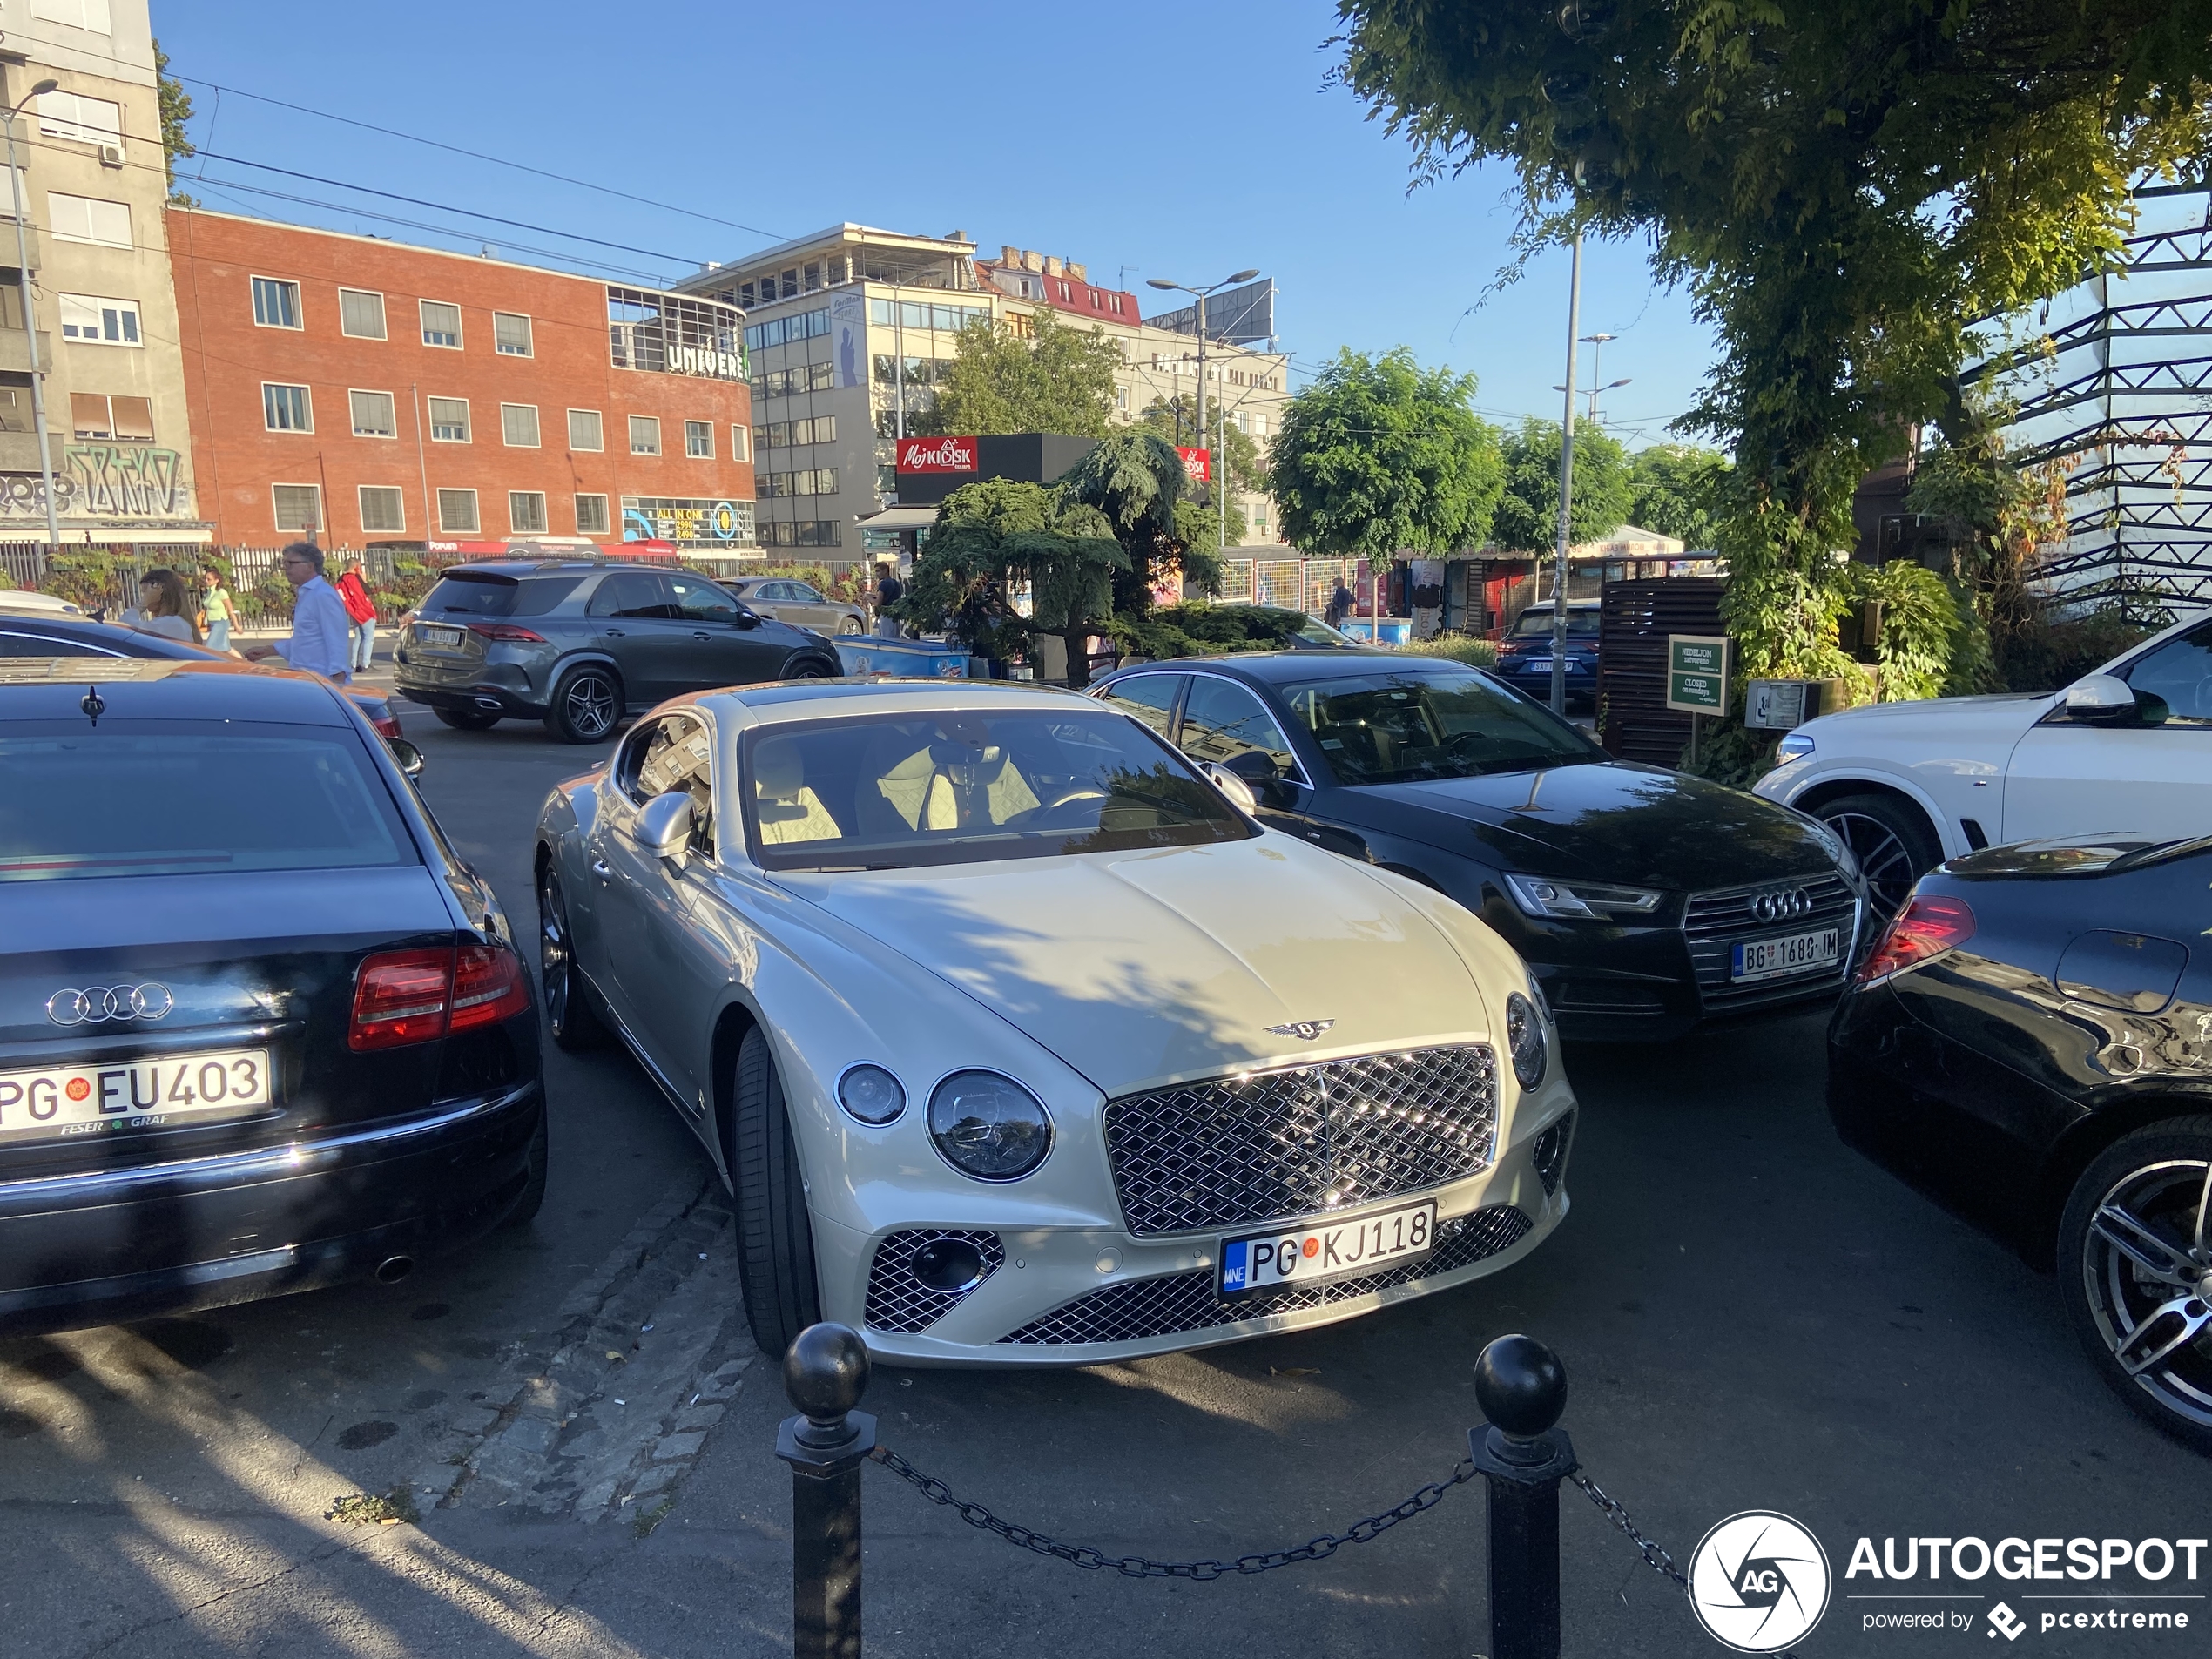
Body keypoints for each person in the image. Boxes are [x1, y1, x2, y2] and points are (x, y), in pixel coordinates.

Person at [239, 543, 352, 684]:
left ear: (310, 566)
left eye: (291, 563)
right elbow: (306, 639)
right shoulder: (307, 594)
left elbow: (337, 638)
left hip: (322, 679)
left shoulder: (322, 595)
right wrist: (269, 650)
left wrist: (338, 676)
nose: (286, 568)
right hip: (306, 676)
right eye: (284, 563)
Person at [131, 568, 201, 644]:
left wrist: (141, 605)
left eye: (145, 592)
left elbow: (126, 628)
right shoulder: (176, 622)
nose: (143, 597)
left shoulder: (171, 623)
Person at [334, 556, 378, 673]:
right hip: (364, 611)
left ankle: (354, 664)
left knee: (358, 637)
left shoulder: (341, 580)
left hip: (354, 611)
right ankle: (366, 664)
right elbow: (367, 591)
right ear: (356, 567)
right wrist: (364, 580)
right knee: (369, 637)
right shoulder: (355, 578)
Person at [198, 566, 237, 653]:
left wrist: (236, 625)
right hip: (212, 623)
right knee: (227, 649)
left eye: (209, 579)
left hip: (221, 622)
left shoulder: (221, 592)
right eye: (206, 579)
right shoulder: (208, 593)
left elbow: (231, 610)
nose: (206, 581)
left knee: (209, 648)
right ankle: (245, 663)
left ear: (216, 580)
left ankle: (210, 665)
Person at [873, 563, 905, 639]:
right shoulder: (896, 583)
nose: (876, 574)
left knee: (887, 639)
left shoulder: (884, 584)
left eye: (878, 571)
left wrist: (868, 597)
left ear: (885, 571)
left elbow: (878, 603)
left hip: (886, 615)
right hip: (894, 615)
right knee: (895, 638)